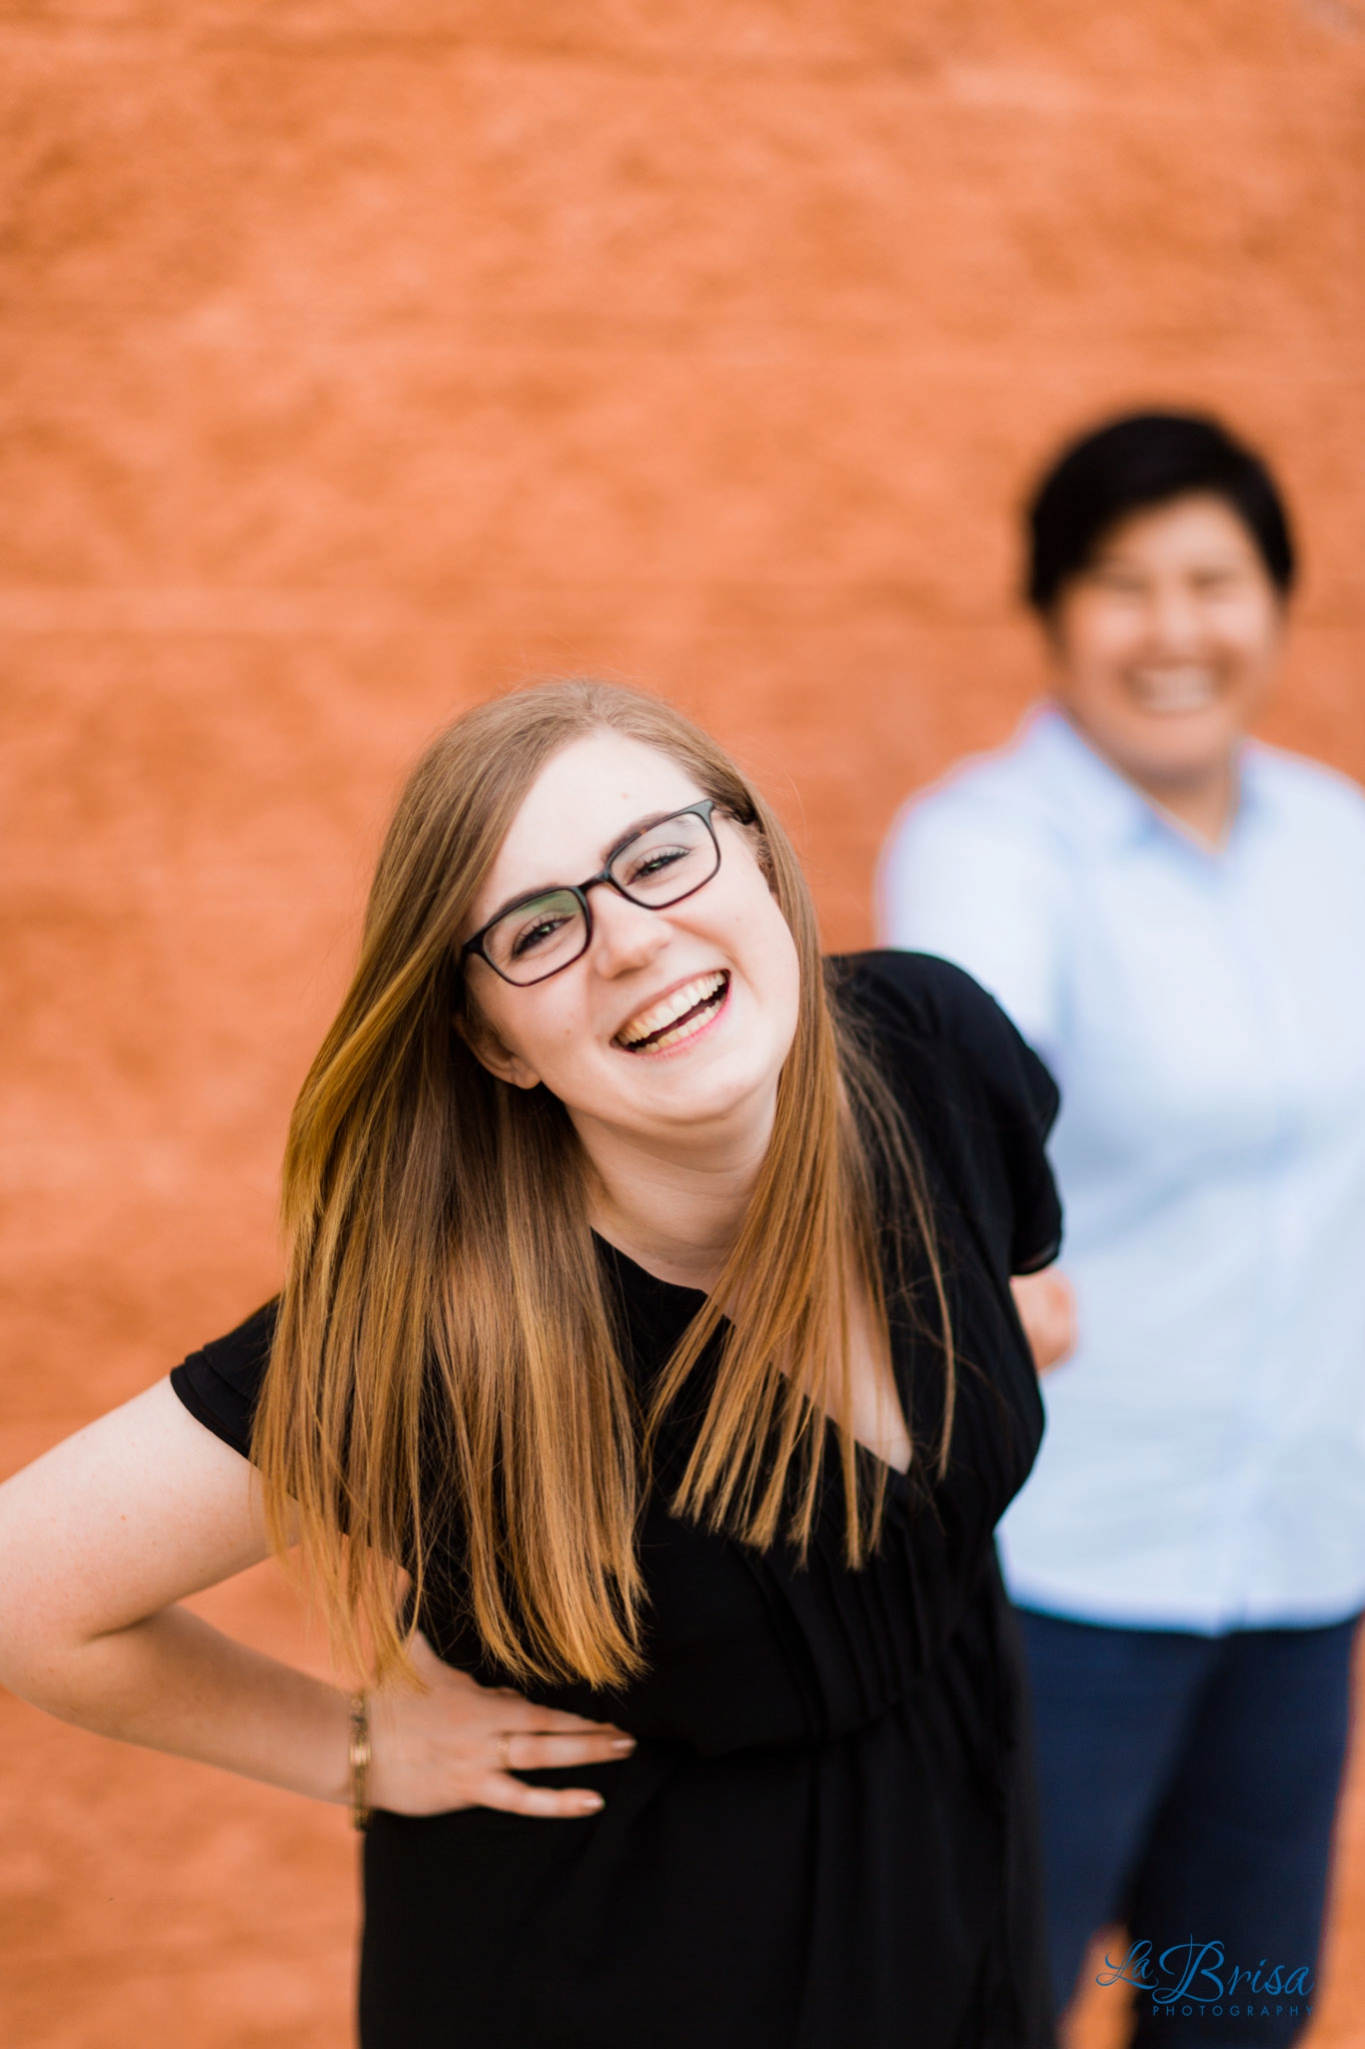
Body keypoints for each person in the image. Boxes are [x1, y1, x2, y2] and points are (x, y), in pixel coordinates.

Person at [0, 681, 1064, 2049]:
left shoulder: (933, 1052)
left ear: (755, 854)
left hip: (951, 1881)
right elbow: (28, 1587)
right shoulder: (437, 1337)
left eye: (663, 853)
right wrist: (357, 1751)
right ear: (494, 1041)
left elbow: (1026, 1288)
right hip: (613, 1973)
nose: (628, 938)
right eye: (539, 929)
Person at [879, 411, 1365, 2046]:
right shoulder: (987, 850)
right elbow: (964, 1101)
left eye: (1213, 580)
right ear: (1050, 612)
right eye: (1118, 583)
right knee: (987, 2007)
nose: (1173, 630)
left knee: (1231, 2013)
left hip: (1301, 1569)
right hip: (1061, 1578)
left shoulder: (1338, 841)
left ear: (1276, 602)